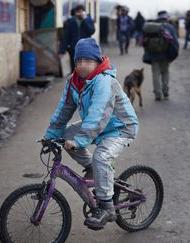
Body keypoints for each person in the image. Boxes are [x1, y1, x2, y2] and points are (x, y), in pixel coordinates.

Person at [44, 38, 139, 229]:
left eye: (87, 61)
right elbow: (63, 110)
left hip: (120, 127)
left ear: (96, 61)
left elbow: (99, 113)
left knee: (102, 156)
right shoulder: (74, 82)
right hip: (98, 126)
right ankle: (92, 168)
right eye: (78, 61)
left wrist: (80, 141)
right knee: (65, 135)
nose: (82, 65)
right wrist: (51, 135)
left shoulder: (104, 80)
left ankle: (106, 206)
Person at [142, 10, 179, 101]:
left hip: (153, 55)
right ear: (166, 18)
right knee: (165, 72)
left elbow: (144, 42)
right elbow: (175, 43)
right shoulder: (170, 27)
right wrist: (173, 55)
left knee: (155, 74)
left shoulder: (151, 28)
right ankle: (165, 91)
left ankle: (158, 93)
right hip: (165, 55)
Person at [59, 4, 95, 72]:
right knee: (74, 68)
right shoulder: (71, 22)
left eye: (81, 12)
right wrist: (62, 51)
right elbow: (66, 36)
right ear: (75, 13)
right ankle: (75, 81)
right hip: (74, 48)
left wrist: (84, 21)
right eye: (78, 12)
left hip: (85, 48)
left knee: (85, 67)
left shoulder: (88, 20)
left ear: (84, 12)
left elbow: (91, 31)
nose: (80, 14)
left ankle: (84, 81)